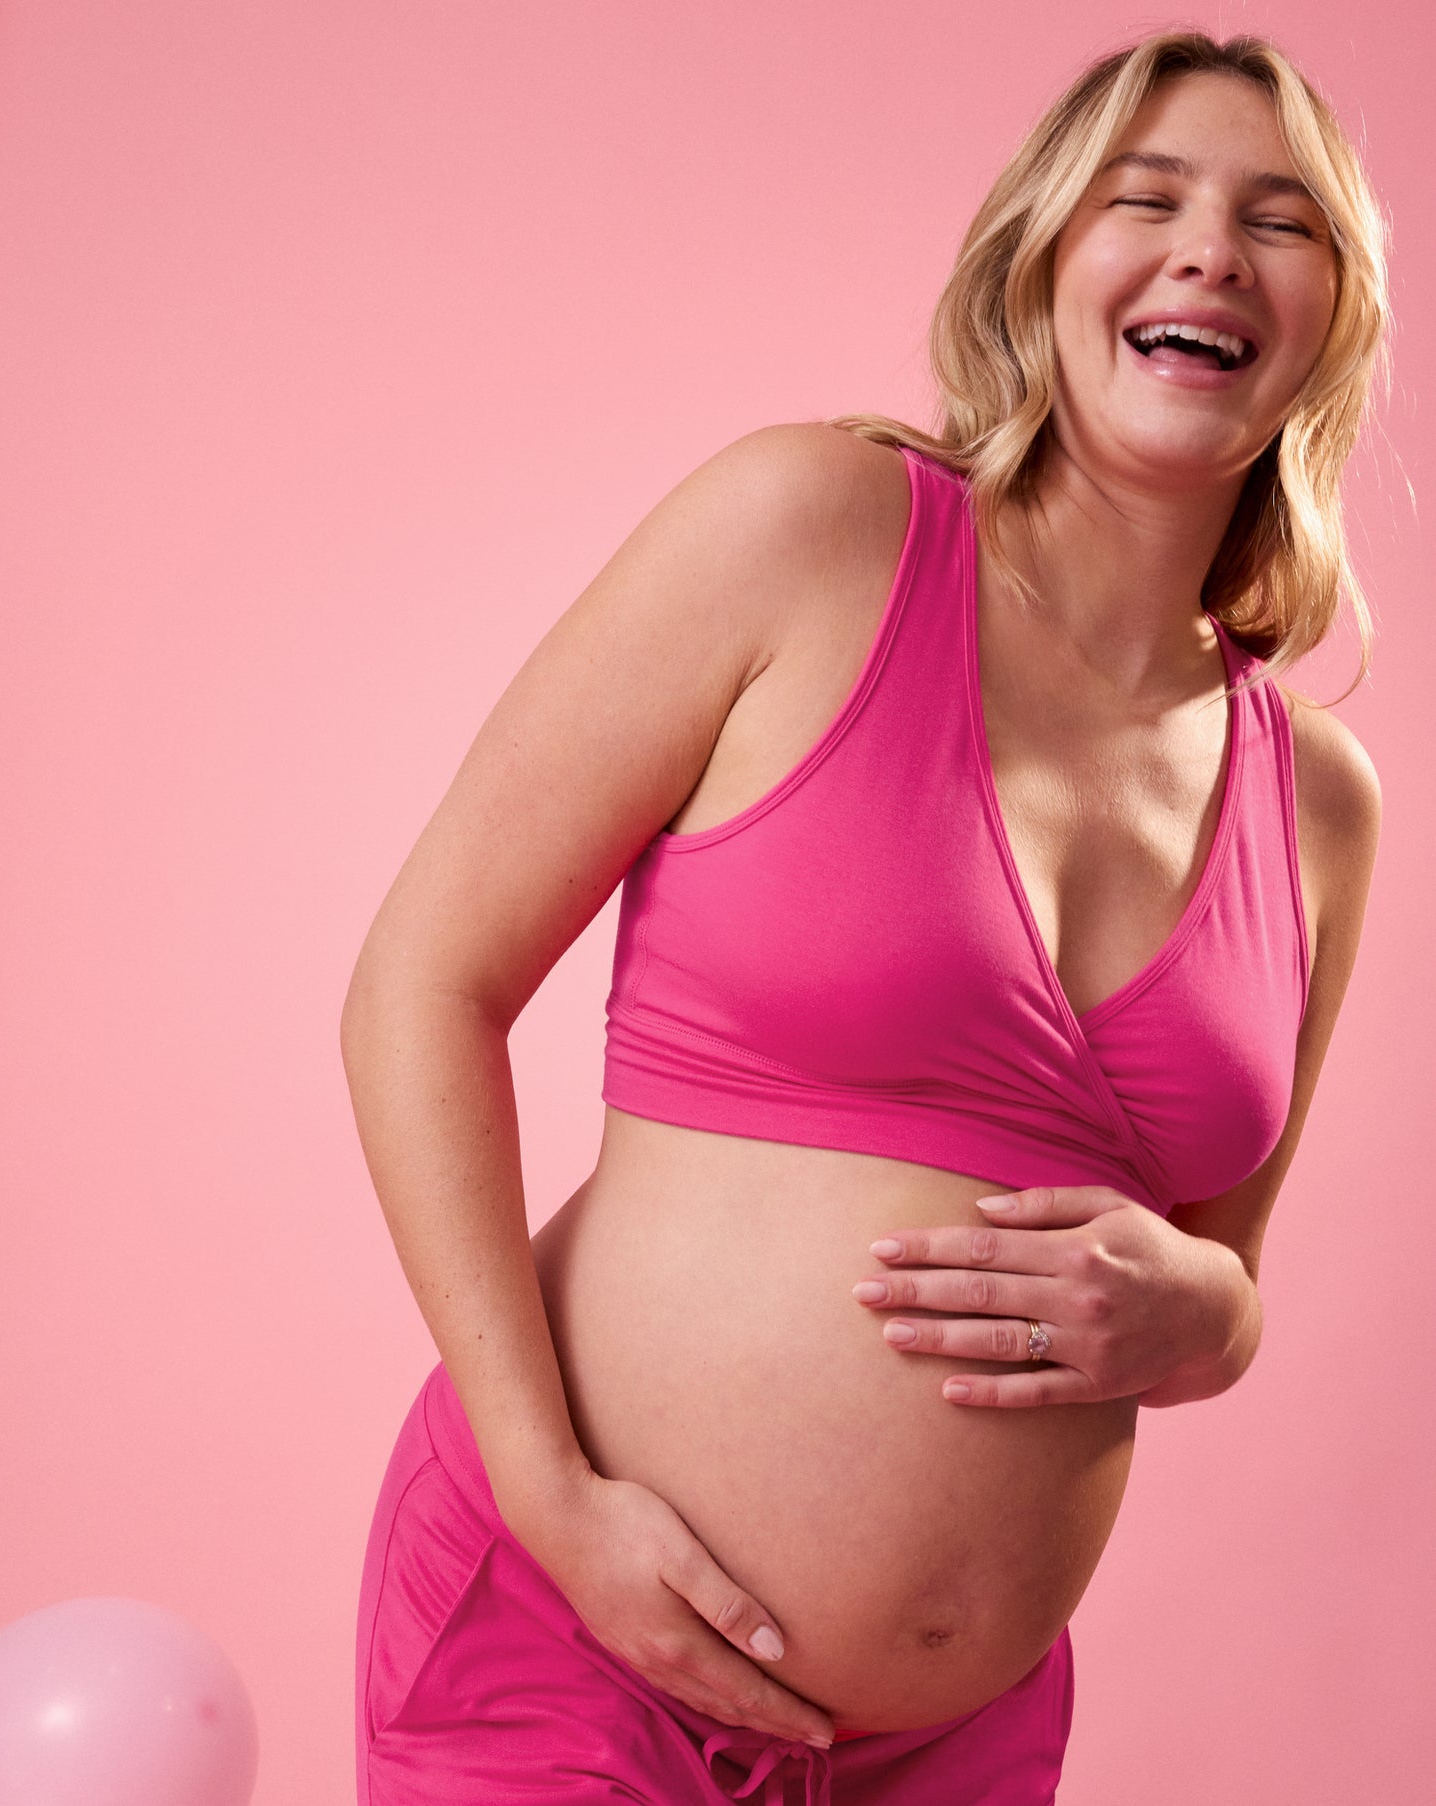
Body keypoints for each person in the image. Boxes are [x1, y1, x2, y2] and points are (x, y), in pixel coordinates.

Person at [342, 28, 1387, 1806]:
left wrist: (1208, 1319)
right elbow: (418, 986)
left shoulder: (1318, 799)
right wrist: (551, 1495)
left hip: (958, 1738)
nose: (1210, 251)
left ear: (1330, 322)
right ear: (1041, 261)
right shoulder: (807, 530)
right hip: (574, 1645)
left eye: (1277, 221)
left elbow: (1219, 1274)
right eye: (1146, 200)